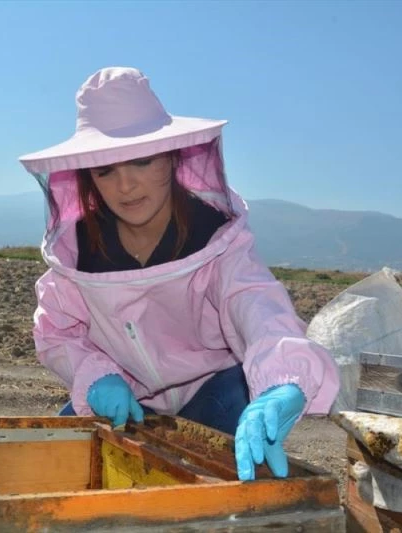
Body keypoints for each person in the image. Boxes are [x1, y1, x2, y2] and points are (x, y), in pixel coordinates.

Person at [19, 67, 339, 481]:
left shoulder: (216, 236)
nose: (126, 185)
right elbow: (57, 333)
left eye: (142, 160)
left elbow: (255, 303)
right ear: (88, 179)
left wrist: (285, 377)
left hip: (215, 393)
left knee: (236, 485)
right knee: (54, 476)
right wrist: (95, 378)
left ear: (172, 157)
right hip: (126, 400)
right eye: (106, 171)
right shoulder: (79, 251)